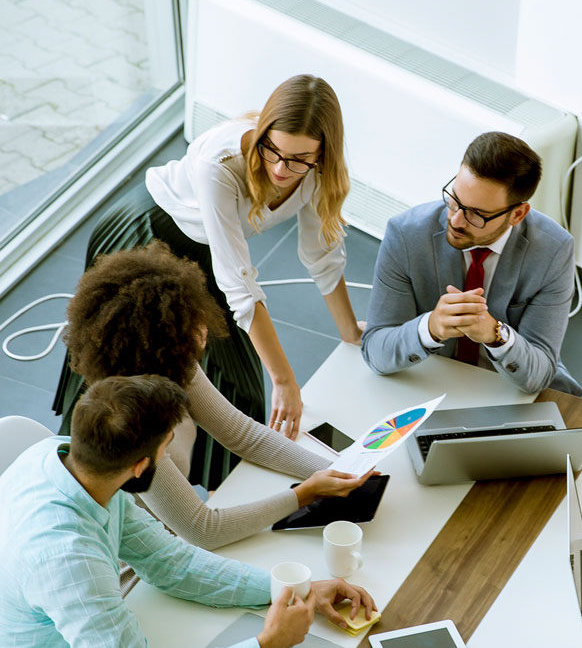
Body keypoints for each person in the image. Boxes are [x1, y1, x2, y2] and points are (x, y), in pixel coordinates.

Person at [54, 73, 362, 444]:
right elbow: (240, 285)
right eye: (272, 151)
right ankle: (80, 453)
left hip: (205, 248)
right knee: (124, 371)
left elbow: (322, 254)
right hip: (147, 234)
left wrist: (351, 335)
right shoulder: (221, 162)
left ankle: (222, 494)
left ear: (322, 154)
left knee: (241, 390)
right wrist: (285, 380)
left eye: (298, 160)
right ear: (263, 133)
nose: (281, 169)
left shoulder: (319, 173)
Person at [0, 375, 377, 648]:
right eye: (167, 447)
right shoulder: (69, 563)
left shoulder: (70, 457)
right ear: (139, 466)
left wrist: (292, 590)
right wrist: (268, 644)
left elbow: (169, 561)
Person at [60, 242, 372, 552]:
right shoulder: (131, 419)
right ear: (162, 338)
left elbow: (244, 434)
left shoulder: (175, 366)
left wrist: (340, 469)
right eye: (191, 321)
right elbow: (202, 529)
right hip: (144, 562)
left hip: (174, 542)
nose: (204, 327)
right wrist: (304, 494)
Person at [361, 131, 581, 395]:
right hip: (426, 379)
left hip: (510, 386)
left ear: (517, 214)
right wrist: (429, 327)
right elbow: (375, 350)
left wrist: (496, 334)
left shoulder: (553, 250)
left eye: (477, 214)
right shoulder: (406, 235)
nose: (455, 221)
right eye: (454, 201)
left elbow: (541, 372)